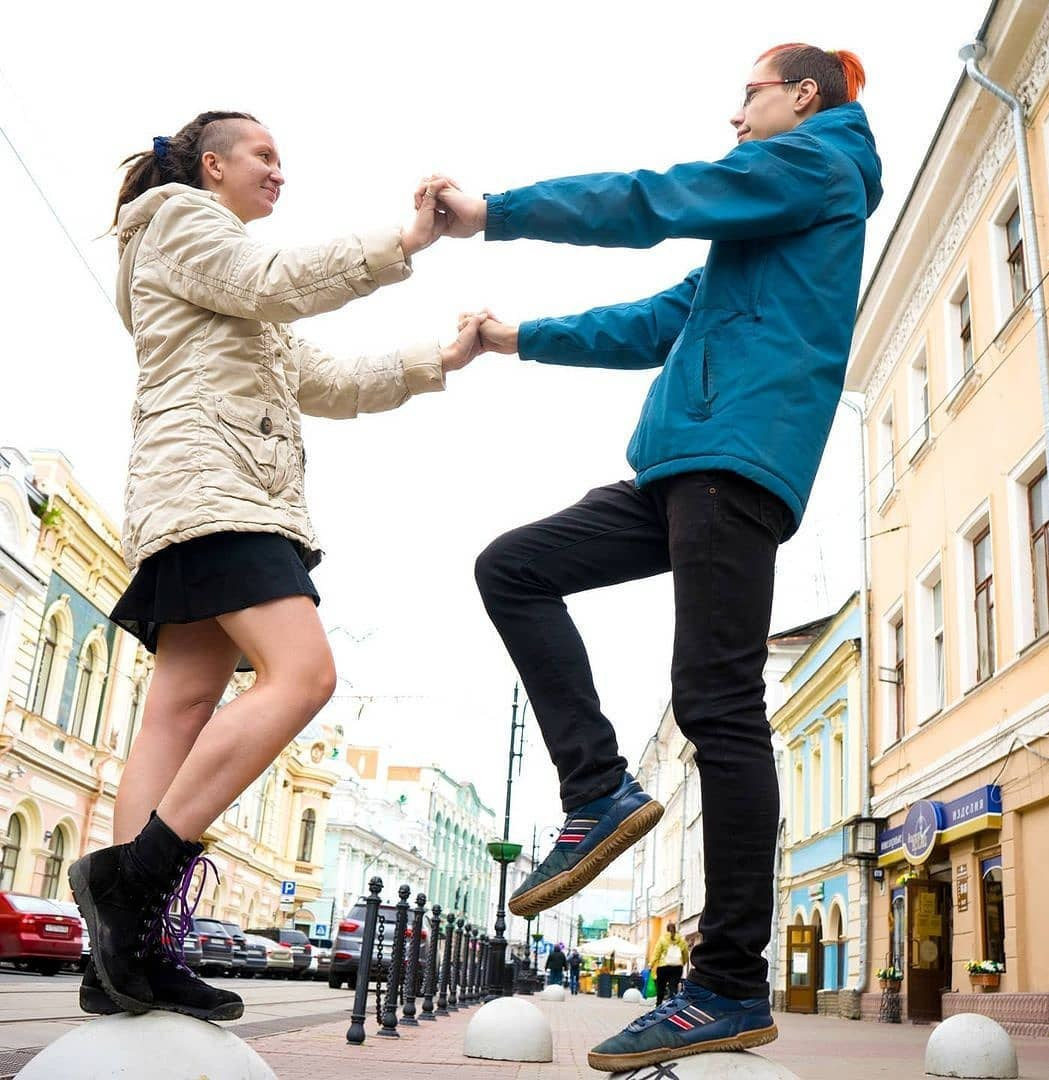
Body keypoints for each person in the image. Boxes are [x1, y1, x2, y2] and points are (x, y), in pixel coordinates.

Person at [429, 43, 881, 1071]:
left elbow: (652, 199)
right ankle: (599, 792)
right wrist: (516, 336)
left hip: (734, 460)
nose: (735, 117)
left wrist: (491, 209)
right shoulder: (762, 227)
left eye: (748, 96)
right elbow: (656, 320)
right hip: (679, 468)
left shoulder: (814, 165)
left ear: (801, 98)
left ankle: (726, 983)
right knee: (514, 567)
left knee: (717, 703)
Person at [68, 111, 483, 1023]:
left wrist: (438, 359)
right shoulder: (183, 222)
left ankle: (119, 961)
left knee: (178, 709)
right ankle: (130, 886)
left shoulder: (223, 286)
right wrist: (406, 239)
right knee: (303, 674)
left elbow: (324, 380)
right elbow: (276, 280)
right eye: (264, 156)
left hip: (197, 494)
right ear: (211, 166)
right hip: (216, 489)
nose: (279, 172)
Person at [651, 923, 690, 1004]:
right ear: (675, 929)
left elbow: (656, 953)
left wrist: (651, 964)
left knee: (661, 988)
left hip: (663, 967)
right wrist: (683, 963)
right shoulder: (682, 941)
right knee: (673, 987)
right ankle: (673, 1005)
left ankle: (658, 1005)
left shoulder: (662, 939)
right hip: (677, 967)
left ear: (667, 929)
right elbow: (685, 954)